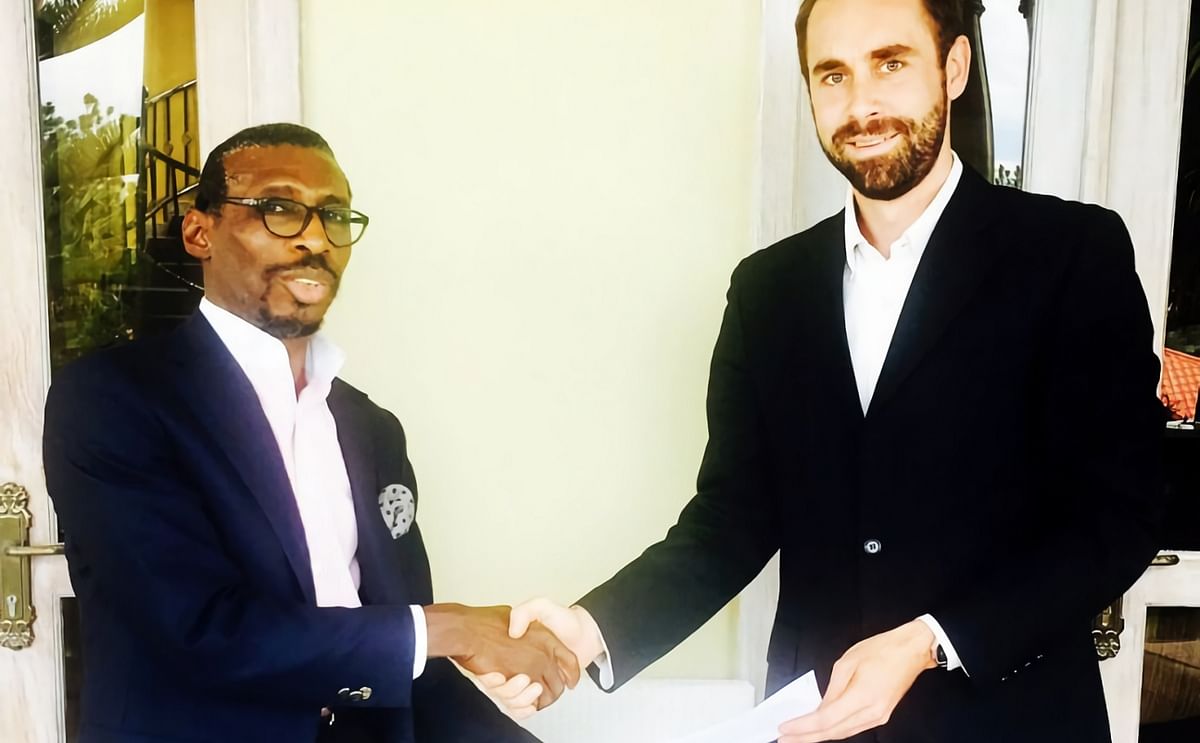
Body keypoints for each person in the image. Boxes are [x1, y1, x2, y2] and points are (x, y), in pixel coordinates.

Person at [498, 0, 1164, 741]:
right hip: (816, 722)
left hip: (1014, 720)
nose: (861, 103)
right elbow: (730, 521)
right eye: (833, 75)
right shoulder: (768, 289)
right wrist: (588, 627)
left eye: (891, 62)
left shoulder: (1070, 255)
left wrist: (928, 641)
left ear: (954, 68)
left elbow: (1116, 517)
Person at [43, 123, 576, 743]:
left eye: (334, 215)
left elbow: (397, 651)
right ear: (200, 231)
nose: (316, 238)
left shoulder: (371, 429)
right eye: (279, 209)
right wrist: (449, 628)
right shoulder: (117, 400)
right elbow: (197, 634)